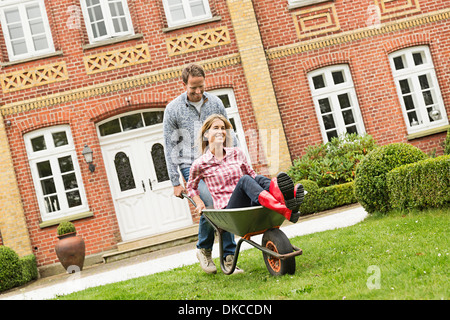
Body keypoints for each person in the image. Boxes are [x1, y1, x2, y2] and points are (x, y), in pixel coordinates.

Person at [163, 63, 240, 275]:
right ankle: (205, 250)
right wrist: (175, 181)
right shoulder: (173, 109)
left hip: (217, 160)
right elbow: (169, 146)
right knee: (211, 202)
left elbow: (229, 132)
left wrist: (237, 158)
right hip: (191, 165)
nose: (198, 92)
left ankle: (228, 255)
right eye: (193, 89)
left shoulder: (215, 102)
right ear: (184, 85)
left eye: (201, 87)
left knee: (225, 202)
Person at [186, 114, 304, 227]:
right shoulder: (200, 163)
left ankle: (287, 200)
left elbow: (252, 175)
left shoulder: (237, 153)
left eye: (223, 128)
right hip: (230, 211)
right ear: (206, 134)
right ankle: (284, 208)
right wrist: (199, 202)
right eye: (215, 128)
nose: (220, 131)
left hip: (248, 203)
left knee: (258, 178)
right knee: (244, 180)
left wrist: (261, 183)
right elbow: (191, 187)